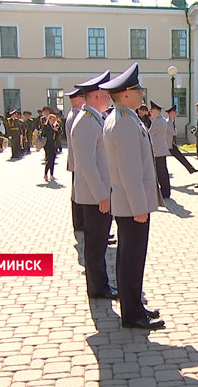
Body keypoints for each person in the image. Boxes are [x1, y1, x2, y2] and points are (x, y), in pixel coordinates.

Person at [101, 62, 165, 330]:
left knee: (130, 257)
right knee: (131, 259)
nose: (141, 93)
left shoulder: (125, 118)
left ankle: (134, 305)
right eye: (137, 89)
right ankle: (131, 314)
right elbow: (129, 171)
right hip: (131, 205)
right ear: (125, 94)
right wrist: (140, 206)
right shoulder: (124, 123)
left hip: (128, 204)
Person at [72, 70, 120, 301]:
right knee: (94, 244)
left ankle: (100, 284)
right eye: (106, 93)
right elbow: (86, 164)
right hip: (94, 196)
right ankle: (97, 287)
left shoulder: (95, 118)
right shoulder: (85, 122)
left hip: (99, 193)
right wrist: (102, 194)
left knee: (98, 243)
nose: (109, 97)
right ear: (96, 95)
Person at [65, 88, 86, 232]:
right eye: (83, 97)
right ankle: (80, 224)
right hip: (78, 162)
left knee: (77, 193)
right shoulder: (76, 116)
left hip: (76, 162)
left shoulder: (73, 114)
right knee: (78, 194)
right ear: (77, 99)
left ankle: (79, 224)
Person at [148, 101, 172, 199]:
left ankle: (164, 192)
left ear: (156, 110)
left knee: (161, 172)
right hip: (160, 150)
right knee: (163, 172)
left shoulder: (158, 121)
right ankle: (165, 191)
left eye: (152, 111)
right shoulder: (160, 120)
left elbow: (149, 134)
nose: (150, 113)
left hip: (158, 151)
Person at [166, 105, 198, 174]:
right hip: (167, 145)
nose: (176, 114)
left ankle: (190, 169)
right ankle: (190, 168)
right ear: (171, 113)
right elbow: (174, 133)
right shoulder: (168, 122)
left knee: (180, 156)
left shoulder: (171, 121)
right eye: (175, 112)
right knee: (163, 160)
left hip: (171, 144)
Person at [42, 113, 61, 181]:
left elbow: (59, 134)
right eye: (53, 119)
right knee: (49, 160)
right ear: (49, 119)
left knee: (53, 160)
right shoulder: (46, 126)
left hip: (53, 144)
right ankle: (45, 174)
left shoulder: (54, 126)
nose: (54, 121)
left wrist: (57, 130)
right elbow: (44, 134)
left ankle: (51, 175)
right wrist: (53, 130)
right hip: (47, 145)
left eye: (55, 120)